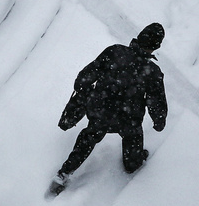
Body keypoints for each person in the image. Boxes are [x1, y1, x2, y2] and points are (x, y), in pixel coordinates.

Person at [50, 23, 168, 195]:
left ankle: (63, 174)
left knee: (88, 138)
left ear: (139, 36)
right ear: (156, 47)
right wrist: (159, 121)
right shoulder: (153, 72)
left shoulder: (114, 52)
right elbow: (156, 103)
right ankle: (132, 163)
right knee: (133, 145)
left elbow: (86, 76)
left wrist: (83, 89)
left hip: (100, 112)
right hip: (128, 121)